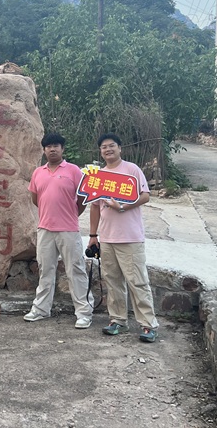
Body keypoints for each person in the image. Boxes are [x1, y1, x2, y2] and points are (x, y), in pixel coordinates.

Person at [87, 133, 159, 343]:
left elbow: (145, 196)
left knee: (137, 282)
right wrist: (93, 235)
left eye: (112, 146)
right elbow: (95, 207)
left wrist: (123, 207)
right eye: (104, 147)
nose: (108, 149)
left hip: (130, 237)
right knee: (112, 281)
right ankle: (118, 320)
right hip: (107, 238)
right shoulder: (98, 176)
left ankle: (148, 324)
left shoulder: (131, 170)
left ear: (120, 148)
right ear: (100, 152)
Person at [25, 133, 94, 329]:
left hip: (68, 230)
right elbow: (36, 199)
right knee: (45, 270)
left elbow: (82, 199)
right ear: (44, 150)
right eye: (48, 146)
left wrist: (70, 214)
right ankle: (41, 309)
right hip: (45, 229)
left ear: (62, 149)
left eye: (56, 145)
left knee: (76, 270)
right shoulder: (38, 172)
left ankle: (84, 313)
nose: (52, 149)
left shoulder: (74, 171)